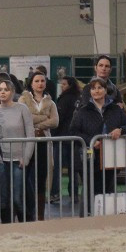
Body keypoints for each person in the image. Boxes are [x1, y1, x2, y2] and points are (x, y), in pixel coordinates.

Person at [69, 77, 126, 213]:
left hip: (110, 157)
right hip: (89, 157)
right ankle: (86, 218)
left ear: (105, 91)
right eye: (93, 88)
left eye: (99, 88)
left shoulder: (115, 109)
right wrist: (91, 140)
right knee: (88, 189)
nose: (96, 91)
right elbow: (73, 131)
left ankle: (105, 217)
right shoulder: (83, 111)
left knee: (108, 189)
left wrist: (120, 130)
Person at [0, 78, 34, 222]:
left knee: (17, 198)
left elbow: (30, 134)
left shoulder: (22, 109)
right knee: (3, 200)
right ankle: (6, 227)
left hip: (18, 161)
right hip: (1, 161)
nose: (2, 92)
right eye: (0, 89)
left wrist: (26, 158)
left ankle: (25, 225)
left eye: (6, 89)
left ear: (12, 92)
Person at [18, 71, 58, 221]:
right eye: (37, 81)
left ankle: (40, 215)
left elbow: (55, 122)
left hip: (44, 142)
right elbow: (24, 117)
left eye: (42, 81)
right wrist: (44, 118)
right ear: (31, 83)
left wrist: (37, 122)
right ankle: (27, 213)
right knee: (26, 176)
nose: (40, 83)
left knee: (41, 177)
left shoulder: (51, 102)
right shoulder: (23, 99)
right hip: (28, 142)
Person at [52, 75, 81, 205]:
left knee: (57, 168)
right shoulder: (78, 98)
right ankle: (74, 194)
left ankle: (55, 193)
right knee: (73, 168)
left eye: (64, 84)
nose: (62, 87)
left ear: (69, 85)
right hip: (74, 137)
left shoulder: (64, 99)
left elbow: (60, 117)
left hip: (62, 136)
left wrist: (53, 133)